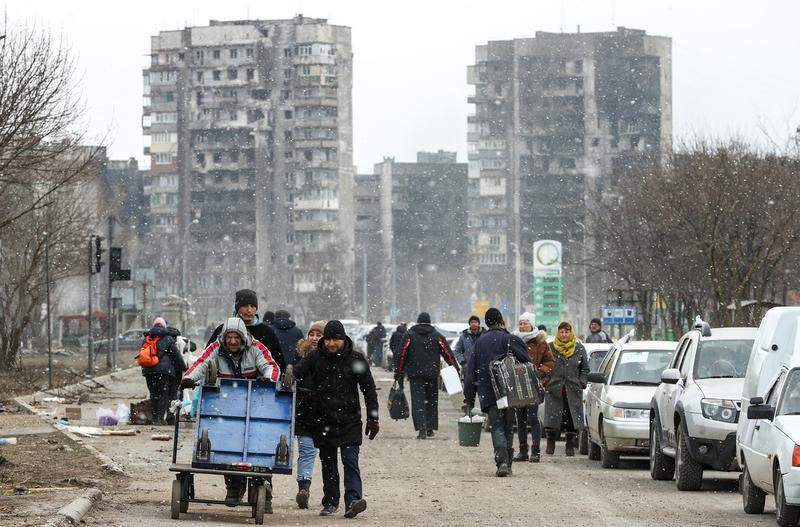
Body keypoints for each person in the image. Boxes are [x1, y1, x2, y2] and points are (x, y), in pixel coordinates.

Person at [181, 317, 281, 506]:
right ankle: (234, 488)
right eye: (229, 337)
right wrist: (188, 378)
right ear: (224, 337)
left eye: (237, 337)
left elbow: (271, 367)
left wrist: (268, 379)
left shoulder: (256, 348)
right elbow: (201, 363)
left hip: (255, 403)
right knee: (227, 444)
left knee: (259, 445)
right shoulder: (215, 349)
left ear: (243, 337)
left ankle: (264, 491)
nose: (233, 341)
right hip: (227, 402)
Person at [294, 320, 379, 518]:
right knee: (328, 463)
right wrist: (289, 375)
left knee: (350, 461)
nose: (331, 344)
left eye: (336, 340)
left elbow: (369, 390)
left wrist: (373, 418)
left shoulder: (356, 359)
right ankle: (330, 501)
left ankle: (353, 500)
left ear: (343, 339)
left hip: (350, 420)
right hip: (323, 421)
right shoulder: (315, 357)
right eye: (328, 339)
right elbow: (298, 372)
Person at [463, 308, 531, 477]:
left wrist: (469, 397)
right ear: (501, 321)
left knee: (497, 425)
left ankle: (501, 460)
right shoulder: (511, 339)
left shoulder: (479, 343)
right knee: (508, 425)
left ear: (486, 323)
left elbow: (471, 373)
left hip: (488, 391)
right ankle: (506, 461)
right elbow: (527, 361)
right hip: (509, 390)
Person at [394, 312, 459, 439]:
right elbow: (447, 352)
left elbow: (402, 354)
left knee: (418, 402)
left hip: (415, 374)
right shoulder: (437, 335)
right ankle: (430, 428)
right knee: (431, 401)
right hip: (432, 374)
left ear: (418, 321)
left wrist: (398, 370)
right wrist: (454, 367)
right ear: (429, 321)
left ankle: (421, 428)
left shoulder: (409, 335)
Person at [206, 289, 286, 373]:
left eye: (252, 306)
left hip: (259, 385)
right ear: (237, 308)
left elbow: (278, 363)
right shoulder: (222, 330)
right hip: (224, 383)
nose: (249, 310)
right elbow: (208, 359)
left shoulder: (266, 332)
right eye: (245, 306)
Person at [512, 312, 554, 463]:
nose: (523, 326)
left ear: (532, 324)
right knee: (520, 418)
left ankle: (535, 451)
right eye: (521, 323)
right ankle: (522, 450)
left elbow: (550, 362)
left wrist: (540, 373)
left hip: (534, 384)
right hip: (517, 385)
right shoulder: (513, 340)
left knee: (533, 418)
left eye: (526, 323)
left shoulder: (541, 341)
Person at [543, 321, 589, 457]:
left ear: (571, 333)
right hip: (554, 389)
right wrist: (546, 380)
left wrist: (582, 382)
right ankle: (550, 444)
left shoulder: (579, 348)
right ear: (558, 333)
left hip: (573, 390)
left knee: (571, 419)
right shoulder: (551, 347)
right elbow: (544, 365)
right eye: (561, 332)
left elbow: (585, 369)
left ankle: (570, 445)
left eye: (566, 332)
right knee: (552, 419)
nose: (564, 335)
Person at [293, 320, 325, 509]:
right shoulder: (299, 355)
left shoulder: (331, 357)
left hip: (322, 412)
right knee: (306, 450)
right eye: (312, 334)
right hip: (303, 410)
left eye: (318, 335)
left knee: (314, 452)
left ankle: (309, 488)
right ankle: (303, 487)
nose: (314, 338)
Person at [141, 317, 186, 425]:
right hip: (164, 372)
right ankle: (161, 419)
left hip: (149, 371)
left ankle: (155, 418)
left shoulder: (147, 338)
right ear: (164, 326)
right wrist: (185, 368)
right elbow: (177, 356)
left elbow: (143, 354)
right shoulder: (168, 338)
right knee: (163, 394)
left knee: (153, 394)